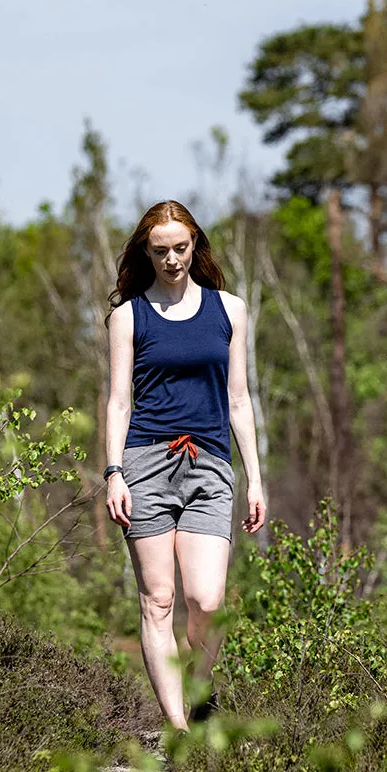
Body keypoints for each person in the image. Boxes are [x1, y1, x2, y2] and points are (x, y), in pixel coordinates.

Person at [104, 200, 265, 730]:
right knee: (159, 599)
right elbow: (119, 402)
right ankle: (182, 729)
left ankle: (202, 690)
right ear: (144, 252)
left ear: (195, 245)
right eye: (160, 251)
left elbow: (239, 400)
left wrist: (255, 480)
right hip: (145, 464)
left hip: (211, 465)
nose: (172, 259)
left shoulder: (230, 310)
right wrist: (114, 474)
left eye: (180, 248)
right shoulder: (129, 317)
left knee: (207, 598)